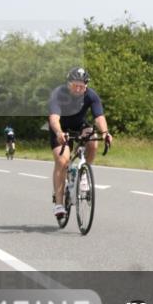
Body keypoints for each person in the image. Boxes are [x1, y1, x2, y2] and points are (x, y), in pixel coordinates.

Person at [47, 67, 113, 223]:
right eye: (75, 85)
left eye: (82, 86)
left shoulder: (91, 95)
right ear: (68, 83)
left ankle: (83, 173)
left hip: (78, 125)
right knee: (62, 160)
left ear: (86, 85)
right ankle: (59, 204)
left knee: (93, 140)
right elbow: (54, 118)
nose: (78, 88)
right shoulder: (58, 94)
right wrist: (58, 133)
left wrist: (105, 132)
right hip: (60, 129)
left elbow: (99, 117)